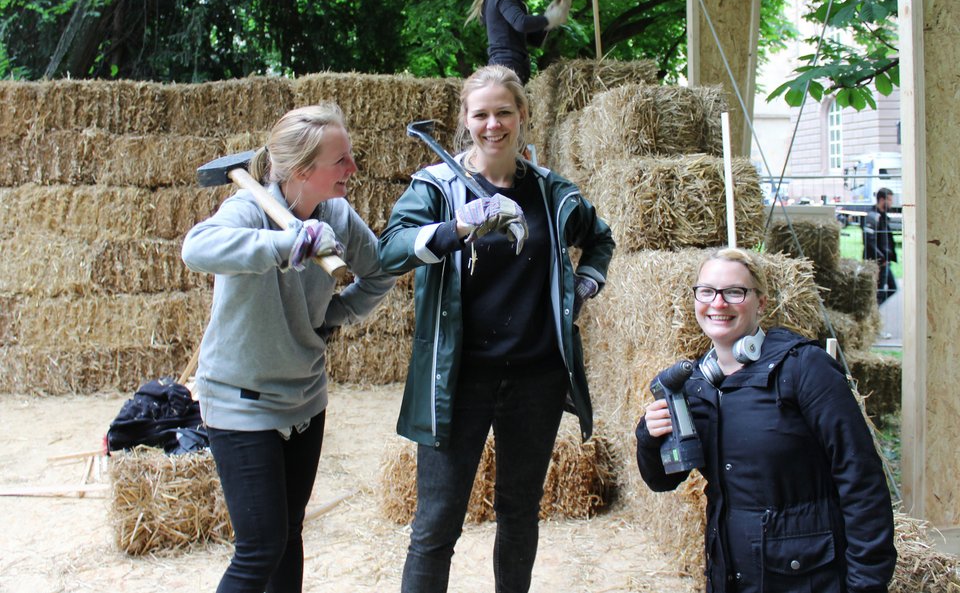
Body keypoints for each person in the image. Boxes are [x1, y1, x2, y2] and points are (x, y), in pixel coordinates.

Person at [378, 64, 614, 593]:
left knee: (519, 513)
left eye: (504, 112)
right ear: (465, 120)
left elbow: (600, 239)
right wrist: (457, 227)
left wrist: (584, 288)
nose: (493, 125)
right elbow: (389, 250)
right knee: (436, 525)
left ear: (523, 115)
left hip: (537, 377)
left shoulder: (554, 194)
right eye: (480, 114)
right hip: (457, 379)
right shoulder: (438, 187)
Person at [181, 103, 395, 593]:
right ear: (301, 171)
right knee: (259, 550)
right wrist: (281, 245)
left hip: (305, 398)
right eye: (340, 160)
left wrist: (335, 315)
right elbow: (196, 248)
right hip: (242, 401)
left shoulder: (336, 214)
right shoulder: (249, 209)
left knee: (289, 534)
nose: (353, 169)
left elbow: (379, 270)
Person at [635, 248, 896, 593]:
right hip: (732, 574)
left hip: (807, 578)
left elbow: (861, 477)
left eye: (735, 292)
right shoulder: (696, 385)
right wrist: (649, 437)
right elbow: (663, 480)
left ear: (761, 302)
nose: (718, 303)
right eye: (707, 291)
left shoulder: (804, 369)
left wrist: (866, 584)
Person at [465, 0, 572, 84]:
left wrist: (550, 16)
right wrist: (549, 18)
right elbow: (521, 23)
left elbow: (535, 39)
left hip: (508, 68)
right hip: (507, 68)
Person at [863, 187, 898, 306]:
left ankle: (874, 311)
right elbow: (869, 240)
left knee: (892, 288)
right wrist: (881, 258)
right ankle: (873, 314)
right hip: (878, 262)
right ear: (882, 200)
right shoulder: (873, 217)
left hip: (885, 261)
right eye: (889, 200)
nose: (891, 203)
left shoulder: (882, 217)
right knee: (879, 292)